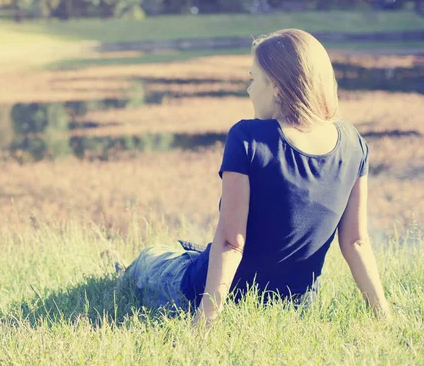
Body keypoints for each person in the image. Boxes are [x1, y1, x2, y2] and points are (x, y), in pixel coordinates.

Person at [120, 29, 391, 324]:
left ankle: (123, 269)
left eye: (253, 79)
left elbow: (231, 243)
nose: (249, 90)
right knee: (189, 253)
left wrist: (206, 321)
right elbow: (356, 242)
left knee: (149, 258)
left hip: (202, 292)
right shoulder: (354, 143)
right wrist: (383, 315)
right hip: (294, 308)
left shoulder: (248, 138)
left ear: (275, 86)